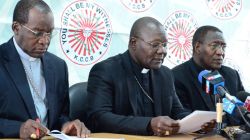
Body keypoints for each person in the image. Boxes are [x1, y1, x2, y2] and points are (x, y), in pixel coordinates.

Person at [86, 17, 215, 136]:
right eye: (155, 45)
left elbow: (177, 112)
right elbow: (98, 117)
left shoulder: (165, 74)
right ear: (133, 43)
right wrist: (148, 124)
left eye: (164, 45)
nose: (162, 50)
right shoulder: (106, 70)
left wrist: (198, 124)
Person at [0, 0, 90, 139]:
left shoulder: (58, 66)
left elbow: (61, 116)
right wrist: (18, 129)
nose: (45, 41)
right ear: (16, 28)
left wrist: (66, 124)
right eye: (37, 33)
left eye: (49, 33)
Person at [172, 25, 245, 125]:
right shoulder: (177, 76)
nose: (220, 52)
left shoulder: (231, 74)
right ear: (197, 47)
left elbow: (242, 111)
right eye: (214, 45)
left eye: (223, 47)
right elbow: (182, 116)